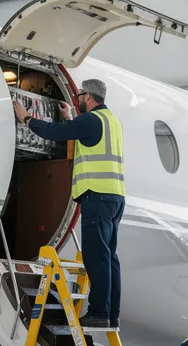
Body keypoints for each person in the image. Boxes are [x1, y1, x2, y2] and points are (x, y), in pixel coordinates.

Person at [13, 79, 123, 328]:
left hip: (97, 195)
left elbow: (55, 133)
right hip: (115, 197)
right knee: (109, 258)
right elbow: (84, 135)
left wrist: (26, 118)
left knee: (96, 258)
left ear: (89, 97)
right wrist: (71, 116)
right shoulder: (111, 121)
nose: (78, 99)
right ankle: (111, 313)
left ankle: (98, 313)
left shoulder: (91, 120)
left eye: (80, 96)